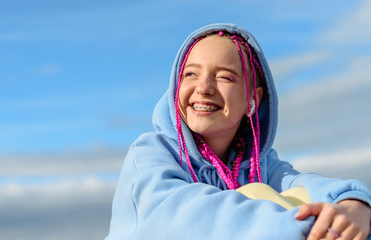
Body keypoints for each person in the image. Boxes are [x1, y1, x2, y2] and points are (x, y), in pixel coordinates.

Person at [105, 23, 371, 240]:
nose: (204, 88)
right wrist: (318, 228)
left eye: (224, 77)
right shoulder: (151, 154)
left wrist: (355, 206)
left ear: (252, 101)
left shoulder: (260, 164)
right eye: (190, 74)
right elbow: (181, 219)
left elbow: (308, 185)